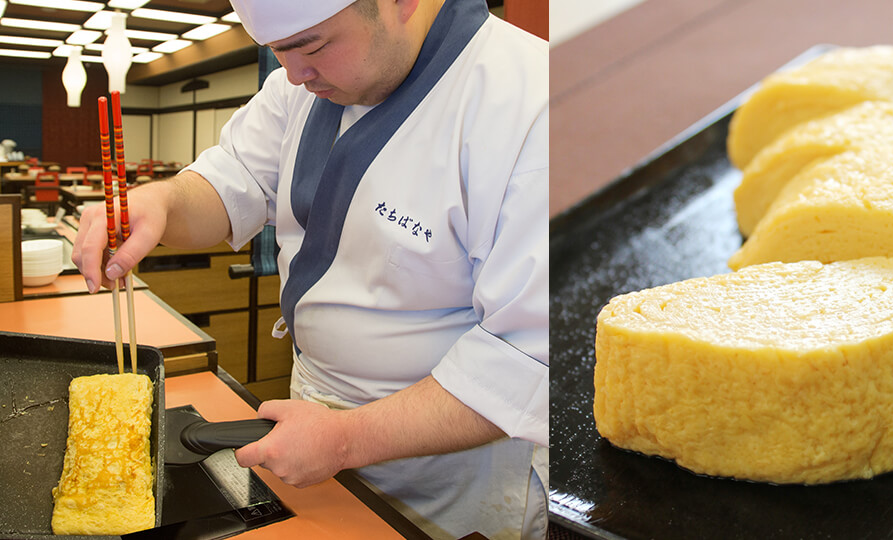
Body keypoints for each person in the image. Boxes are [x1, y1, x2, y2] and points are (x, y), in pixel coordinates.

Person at [71, 0, 548, 538]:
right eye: (278, 51)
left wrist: (348, 438)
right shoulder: (300, 86)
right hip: (308, 421)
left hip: (451, 467)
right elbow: (234, 181)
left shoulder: (533, 101)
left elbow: (526, 355)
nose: (293, 76)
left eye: (312, 46)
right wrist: (162, 202)